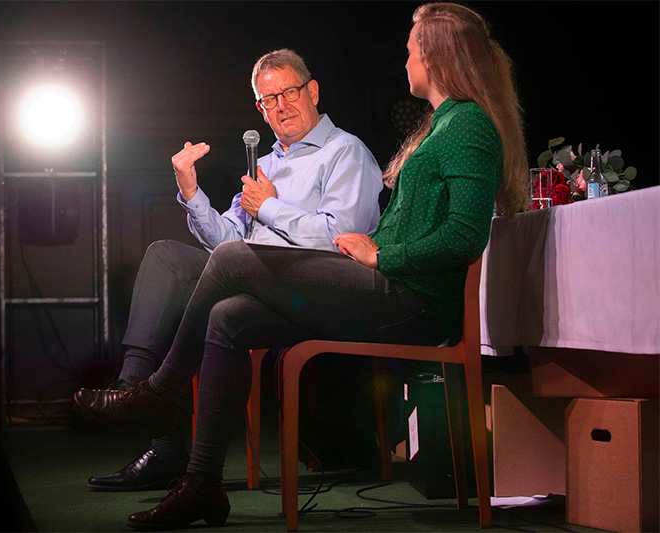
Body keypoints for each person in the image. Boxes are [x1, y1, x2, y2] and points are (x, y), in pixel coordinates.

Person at [74, 2, 529, 529]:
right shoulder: (444, 124)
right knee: (228, 316)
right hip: (373, 286)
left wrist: (383, 253)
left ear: (438, 55)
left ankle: (155, 393)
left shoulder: (462, 127)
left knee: (231, 260)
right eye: (268, 99)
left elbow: (465, 236)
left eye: (410, 50)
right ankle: (201, 482)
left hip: (411, 300)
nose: (404, 60)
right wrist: (194, 194)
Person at [78, 48, 383, 492]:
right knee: (166, 256)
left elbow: (344, 240)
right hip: (250, 279)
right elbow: (226, 242)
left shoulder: (345, 152)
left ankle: (147, 408)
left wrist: (272, 208)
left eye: (289, 92)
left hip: (317, 292)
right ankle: (138, 394)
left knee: (218, 294)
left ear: (312, 91)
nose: (280, 106)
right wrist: (191, 191)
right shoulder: (266, 164)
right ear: (259, 109)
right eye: (268, 99)